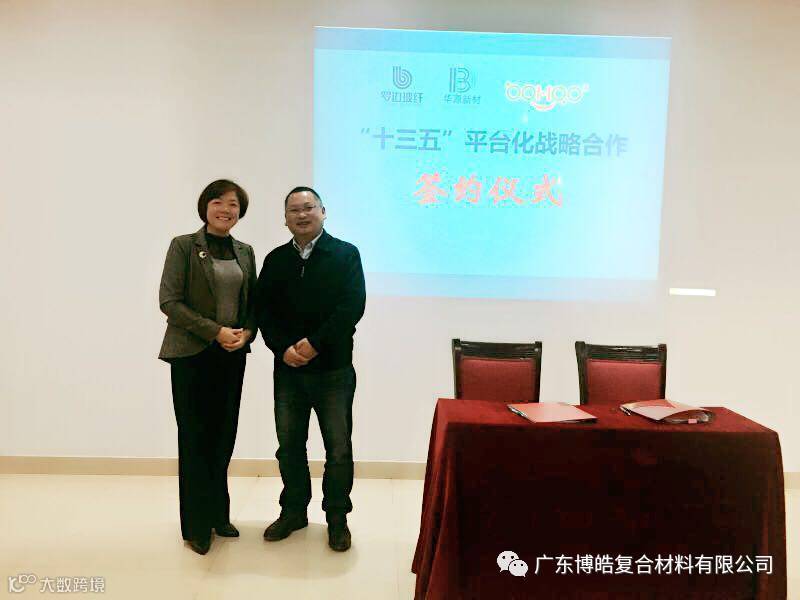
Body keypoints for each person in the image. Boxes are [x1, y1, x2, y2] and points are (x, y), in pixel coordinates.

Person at [255, 186, 366, 552]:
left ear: (323, 211)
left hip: (333, 370)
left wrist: (315, 343)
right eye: (294, 210)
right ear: (285, 218)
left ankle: (337, 518)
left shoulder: (345, 254)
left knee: (338, 449)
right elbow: (263, 311)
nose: (301, 215)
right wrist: (283, 348)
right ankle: (293, 512)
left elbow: (351, 307)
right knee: (289, 447)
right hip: (288, 371)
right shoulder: (275, 260)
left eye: (308, 207)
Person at [158, 179, 258, 555]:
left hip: (231, 356)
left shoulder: (245, 252)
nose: (225, 210)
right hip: (192, 355)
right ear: (205, 207)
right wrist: (215, 331)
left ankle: (218, 514)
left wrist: (246, 333)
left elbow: (253, 303)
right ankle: (197, 526)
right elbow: (170, 301)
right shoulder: (184, 246)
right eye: (218, 202)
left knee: (223, 437)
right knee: (195, 439)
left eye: (233, 204)